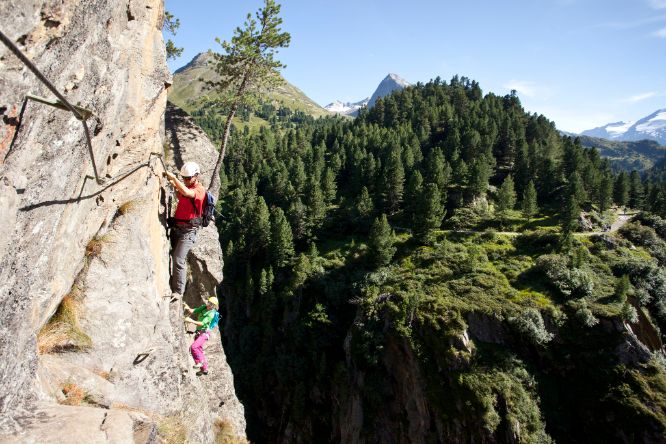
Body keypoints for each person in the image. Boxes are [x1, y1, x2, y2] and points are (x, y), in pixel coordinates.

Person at [164, 161, 206, 300]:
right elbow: (181, 195)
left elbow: (187, 193)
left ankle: (178, 291)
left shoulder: (199, 190)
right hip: (178, 228)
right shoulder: (187, 187)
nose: (186, 180)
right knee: (174, 256)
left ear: (196, 176)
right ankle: (175, 283)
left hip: (188, 232)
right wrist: (174, 185)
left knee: (178, 259)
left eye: (188, 178)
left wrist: (175, 180)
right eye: (184, 178)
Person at [184, 296, 219, 375]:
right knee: (199, 350)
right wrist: (187, 308)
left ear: (214, 306)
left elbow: (202, 323)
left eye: (212, 304)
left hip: (204, 333)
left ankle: (200, 363)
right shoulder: (204, 307)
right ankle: (204, 369)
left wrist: (191, 320)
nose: (209, 305)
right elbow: (194, 311)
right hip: (199, 333)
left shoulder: (211, 314)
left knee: (194, 347)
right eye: (209, 303)